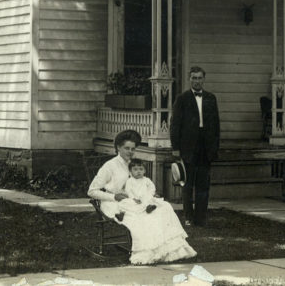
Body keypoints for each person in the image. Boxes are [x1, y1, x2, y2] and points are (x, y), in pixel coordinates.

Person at [87, 130, 196, 265]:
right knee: (142, 217)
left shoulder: (134, 164)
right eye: (127, 148)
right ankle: (146, 252)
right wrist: (114, 196)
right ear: (118, 148)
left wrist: (148, 194)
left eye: (133, 149)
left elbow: (141, 183)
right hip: (114, 203)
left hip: (136, 201)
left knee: (164, 208)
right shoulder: (109, 166)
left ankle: (169, 250)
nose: (130, 152)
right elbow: (92, 191)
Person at [170, 65, 220, 227]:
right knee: (187, 183)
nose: (197, 81)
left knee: (203, 184)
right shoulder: (182, 99)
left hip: (206, 147)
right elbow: (175, 125)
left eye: (199, 78)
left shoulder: (211, 98)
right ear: (189, 79)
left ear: (204, 79)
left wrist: (214, 147)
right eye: (194, 78)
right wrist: (176, 148)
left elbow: (216, 125)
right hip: (188, 147)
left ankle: (201, 217)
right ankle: (188, 217)